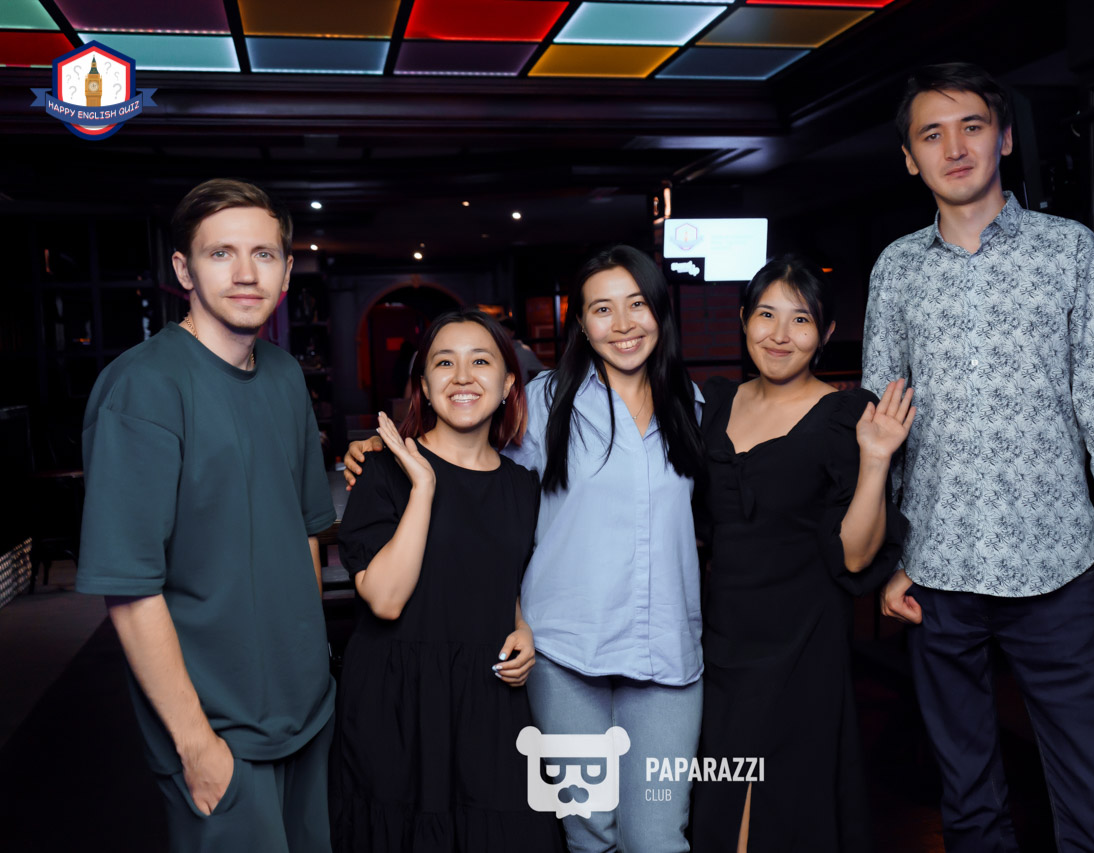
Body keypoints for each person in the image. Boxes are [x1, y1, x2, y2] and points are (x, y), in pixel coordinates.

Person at [865, 63, 1094, 853]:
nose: (954, 147)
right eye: (931, 134)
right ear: (909, 158)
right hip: (938, 580)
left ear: (1004, 138)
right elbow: (880, 432)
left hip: (1061, 575)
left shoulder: (1069, 251)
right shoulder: (896, 269)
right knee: (969, 808)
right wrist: (894, 557)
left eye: (971, 126)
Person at [344, 245, 705, 853]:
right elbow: (468, 466)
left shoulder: (692, 406)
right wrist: (381, 454)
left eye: (637, 304)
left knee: (658, 837)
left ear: (660, 312)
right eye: (602, 309)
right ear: (580, 323)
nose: (622, 324)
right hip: (565, 653)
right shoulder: (543, 403)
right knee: (587, 831)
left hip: (665, 652)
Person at [75, 179, 335, 852]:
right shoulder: (144, 387)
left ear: (286, 270)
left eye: (263, 254)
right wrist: (195, 744)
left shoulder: (285, 376)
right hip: (219, 731)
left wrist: (313, 670)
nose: (246, 273)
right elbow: (130, 589)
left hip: (308, 711)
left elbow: (306, 534)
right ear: (184, 270)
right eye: (221, 253)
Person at [691, 257, 912, 852]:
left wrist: (875, 460)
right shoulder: (715, 405)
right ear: (744, 320)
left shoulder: (844, 417)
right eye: (766, 315)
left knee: (779, 804)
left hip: (803, 637)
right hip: (719, 637)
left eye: (801, 320)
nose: (780, 335)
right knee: (718, 797)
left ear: (826, 334)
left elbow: (857, 558)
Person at [329, 310, 561, 852]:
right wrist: (424, 487)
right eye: (444, 363)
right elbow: (385, 600)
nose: (462, 377)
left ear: (508, 384)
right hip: (398, 700)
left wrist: (523, 628)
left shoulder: (523, 486)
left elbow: (505, 580)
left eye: (480, 362)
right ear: (425, 388)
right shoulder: (382, 472)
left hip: (488, 697)